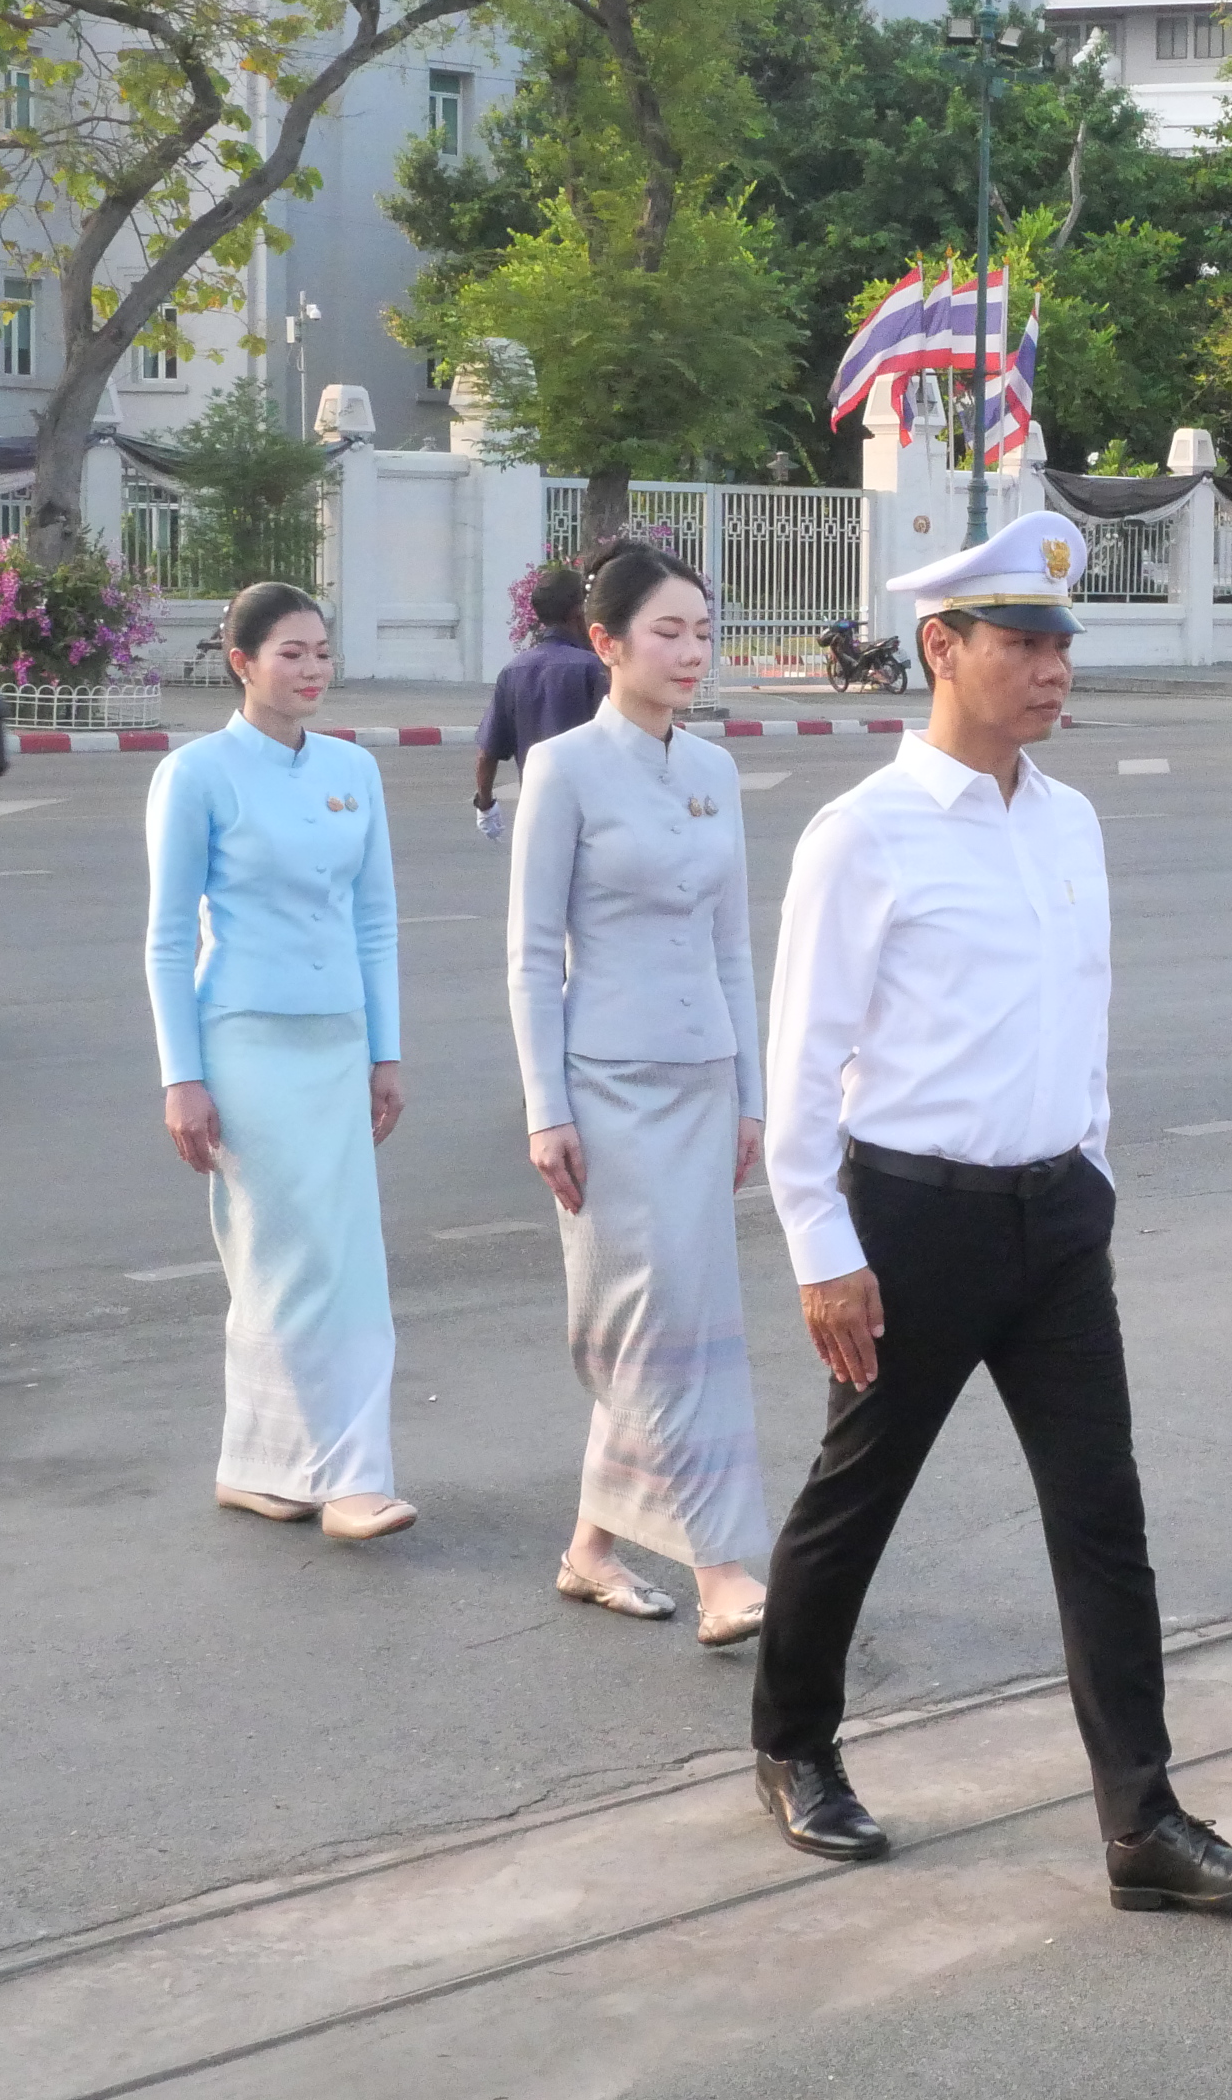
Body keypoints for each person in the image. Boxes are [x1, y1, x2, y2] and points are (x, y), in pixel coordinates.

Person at [752, 509, 1232, 1912]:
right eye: (1026, 641)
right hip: (912, 1220)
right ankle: (794, 1746)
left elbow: (1082, 1019)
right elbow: (803, 1063)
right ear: (943, 647)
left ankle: (1142, 1821)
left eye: (1064, 642)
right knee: (858, 1495)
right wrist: (824, 1249)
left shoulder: (1071, 821)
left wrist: (1094, 1170)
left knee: (1102, 1516)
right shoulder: (861, 835)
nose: (1055, 667)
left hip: (1057, 1220)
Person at [509, 541, 775, 1647]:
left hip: (702, 1076)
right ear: (605, 641)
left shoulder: (713, 771)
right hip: (605, 1087)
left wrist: (752, 1095)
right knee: (638, 1319)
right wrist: (544, 1106)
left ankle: (594, 1547)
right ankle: (721, 1564)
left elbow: (732, 948)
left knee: (689, 1321)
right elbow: (529, 953)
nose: (689, 652)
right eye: (666, 631)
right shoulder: (563, 768)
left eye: (702, 631)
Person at [143, 582, 414, 1541]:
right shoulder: (198, 774)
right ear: (241, 660)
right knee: (282, 1256)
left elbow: (374, 921)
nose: (311, 671)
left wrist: (386, 1051)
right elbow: (168, 941)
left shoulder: (352, 771)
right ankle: (338, 1480)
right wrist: (183, 1076)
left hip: (337, 1041)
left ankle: (271, 1466)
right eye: (290, 653)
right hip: (246, 1045)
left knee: (347, 1262)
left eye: (322, 652)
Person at [474, 563, 611, 842]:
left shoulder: (514, 671)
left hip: (537, 817)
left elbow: (487, 754)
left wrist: (485, 805)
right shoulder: (595, 669)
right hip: (596, 819)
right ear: (578, 612)